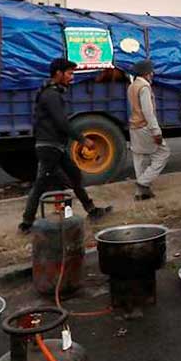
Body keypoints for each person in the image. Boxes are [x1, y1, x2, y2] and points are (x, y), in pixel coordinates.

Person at [19, 59, 112, 233]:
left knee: (75, 176)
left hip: (55, 146)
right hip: (49, 146)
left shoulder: (51, 92)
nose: (72, 78)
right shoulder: (51, 95)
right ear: (58, 73)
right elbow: (62, 122)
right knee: (41, 184)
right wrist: (83, 139)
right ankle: (26, 224)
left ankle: (92, 211)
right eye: (69, 74)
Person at [128, 60, 170, 200]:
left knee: (140, 158)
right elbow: (148, 112)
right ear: (146, 73)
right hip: (145, 126)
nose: (152, 74)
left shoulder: (132, 86)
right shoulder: (144, 87)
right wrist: (156, 131)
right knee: (163, 153)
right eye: (151, 71)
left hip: (134, 126)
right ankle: (143, 183)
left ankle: (141, 194)